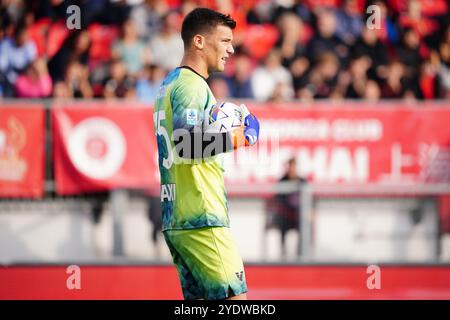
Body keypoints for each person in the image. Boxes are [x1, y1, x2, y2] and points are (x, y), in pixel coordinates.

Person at [153, 8, 260, 300]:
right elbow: (187, 146)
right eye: (225, 40)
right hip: (201, 217)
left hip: (177, 218)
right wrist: (239, 137)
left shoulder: (169, 84)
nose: (231, 48)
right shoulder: (191, 85)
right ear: (199, 41)